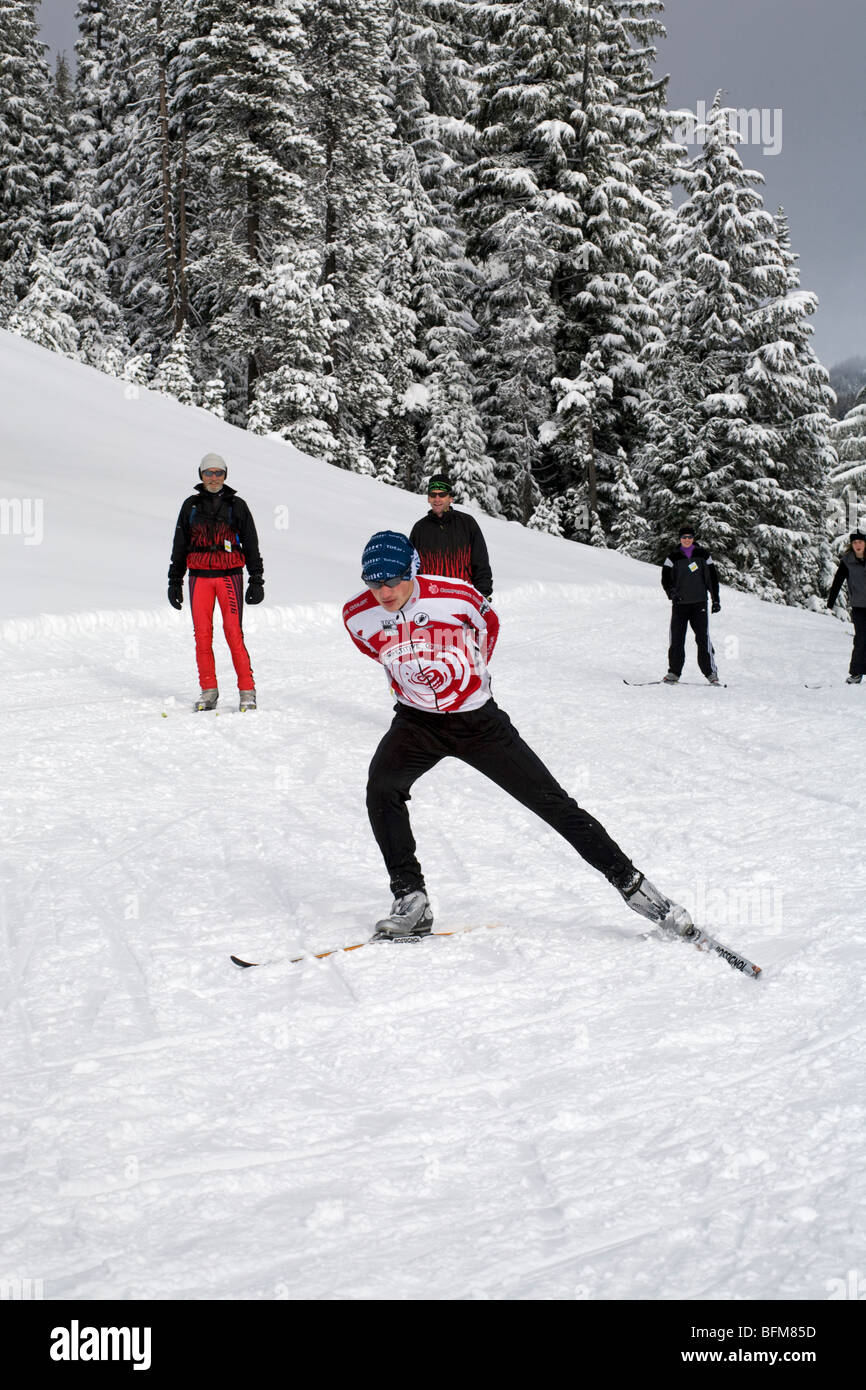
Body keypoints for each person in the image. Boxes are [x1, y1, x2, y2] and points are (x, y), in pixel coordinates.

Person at [343, 529, 694, 939]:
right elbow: (377, 651)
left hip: (477, 722)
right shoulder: (357, 614)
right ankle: (411, 899)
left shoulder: (456, 596)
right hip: (416, 721)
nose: (383, 592)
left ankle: (636, 888)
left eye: (392, 580)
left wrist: (467, 681)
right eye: (374, 582)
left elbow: (487, 628)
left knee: (551, 803)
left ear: (413, 570)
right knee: (381, 788)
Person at [167, 453, 263, 711]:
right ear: (201, 475)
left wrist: (256, 579)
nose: (213, 478)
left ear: (225, 475)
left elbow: (251, 543)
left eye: (218, 473)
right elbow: (180, 544)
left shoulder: (237, 505)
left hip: (229, 576)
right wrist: (174, 580)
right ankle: (208, 691)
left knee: (233, 633)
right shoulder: (191, 506)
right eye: (208, 473)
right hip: (199, 578)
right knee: (202, 636)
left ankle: (247, 691)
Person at [408, 474, 493, 598]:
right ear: (428, 498)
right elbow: (412, 567)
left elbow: (480, 561)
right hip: (430, 598)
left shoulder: (467, 523)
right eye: (433, 495)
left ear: (450, 498)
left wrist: (483, 593)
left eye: (442, 494)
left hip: (463, 597)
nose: (437, 499)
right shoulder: (419, 528)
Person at [661, 524, 721, 685]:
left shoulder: (703, 555)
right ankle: (674, 672)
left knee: (703, 639)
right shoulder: (672, 557)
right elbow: (665, 579)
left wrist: (715, 600)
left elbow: (712, 579)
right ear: (679, 539)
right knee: (677, 639)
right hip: (680, 605)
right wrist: (671, 593)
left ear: (693, 539)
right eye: (684, 537)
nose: (687, 540)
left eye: (689, 537)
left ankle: (711, 673)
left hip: (699, 603)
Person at [827, 529, 866, 683]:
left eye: (860, 542)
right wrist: (830, 602)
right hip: (859, 607)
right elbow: (837, 582)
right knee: (861, 639)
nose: (858, 545)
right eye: (855, 542)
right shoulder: (847, 562)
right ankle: (856, 673)